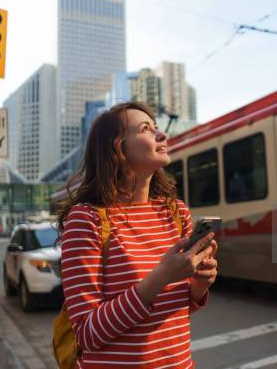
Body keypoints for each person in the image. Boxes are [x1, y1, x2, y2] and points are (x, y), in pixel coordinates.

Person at [57, 102, 218, 368]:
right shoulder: (87, 219)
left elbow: (175, 309)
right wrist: (162, 276)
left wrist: (200, 284)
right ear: (118, 148)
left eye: (156, 127)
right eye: (146, 129)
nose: (162, 135)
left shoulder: (176, 212)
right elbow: (87, 334)